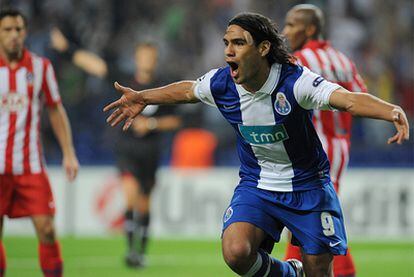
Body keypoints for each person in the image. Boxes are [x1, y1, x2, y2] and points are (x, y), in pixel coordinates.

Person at [103, 12, 409, 277]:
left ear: (263, 48)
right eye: (226, 43)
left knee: (318, 269)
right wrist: (143, 97)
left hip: (307, 187)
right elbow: (187, 91)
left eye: (238, 43)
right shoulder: (222, 83)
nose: (229, 52)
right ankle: (290, 273)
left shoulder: (295, 82)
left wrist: (391, 110)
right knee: (236, 251)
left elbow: (349, 100)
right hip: (258, 186)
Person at [50, 33, 182, 268]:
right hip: (127, 149)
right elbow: (94, 65)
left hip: (151, 151)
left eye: (150, 56)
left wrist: (151, 124)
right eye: (143, 56)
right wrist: (67, 48)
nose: (146, 60)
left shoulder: (165, 86)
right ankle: (131, 251)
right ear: (136, 58)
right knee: (130, 198)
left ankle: (141, 252)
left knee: (144, 205)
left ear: (156, 59)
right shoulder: (123, 79)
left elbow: (176, 121)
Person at [281, 4, 366, 277]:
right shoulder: (342, 60)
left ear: (309, 29)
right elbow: (360, 96)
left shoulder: (299, 60)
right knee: (316, 219)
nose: (285, 31)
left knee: (310, 220)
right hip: (341, 147)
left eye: (291, 25)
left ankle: (331, 271)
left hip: (314, 150)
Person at [0, 9, 79, 277]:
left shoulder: (40, 67)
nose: (13, 35)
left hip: (31, 165)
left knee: (47, 229)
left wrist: (68, 152)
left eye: (18, 30)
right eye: (7, 29)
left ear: (25, 32)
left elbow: (55, 109)